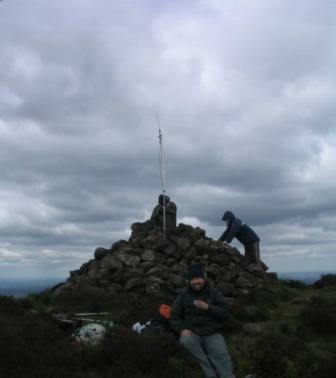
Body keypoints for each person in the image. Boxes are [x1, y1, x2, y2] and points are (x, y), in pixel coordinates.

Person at [170, 264, 235, 378]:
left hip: (212, 333)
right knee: (186, 343)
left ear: (203, 279)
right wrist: (181, 330)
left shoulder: (213, 293)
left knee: (221, 357)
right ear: (189, 281)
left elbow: (225, 312)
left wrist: (208, 308)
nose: (195, 282)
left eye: (198, 278)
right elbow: (174, 316)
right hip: (192, 333)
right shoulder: (183, 296)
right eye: (192, 279)